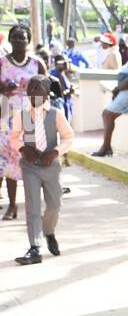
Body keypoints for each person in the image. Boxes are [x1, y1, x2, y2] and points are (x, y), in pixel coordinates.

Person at [10, 74, 73, 264]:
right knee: (33, 207)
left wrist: (55, 152)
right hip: (30, 166)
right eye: (30, 88)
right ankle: (35, 247)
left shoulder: (55, 114)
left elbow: (68, 137)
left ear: (47, 92)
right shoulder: (23, 114)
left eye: (38, 88)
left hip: (51, 166)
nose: (33, 91)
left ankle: (49, 232)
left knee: (54, 204)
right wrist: (23, 148)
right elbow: (15, 137)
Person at [0, 25, 47, 221]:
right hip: (4, 114)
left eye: (23, 38)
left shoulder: (37, 63)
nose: (19, 41)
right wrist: (3, 87)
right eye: (16, 38)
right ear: (10, 40)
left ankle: (21, 206)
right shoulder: (2, 62)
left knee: (22, 160)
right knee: (4, 160)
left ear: (28, 41)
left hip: (28, 117)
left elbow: (47, 88)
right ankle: (8, 204)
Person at [91, 40, 128, 157]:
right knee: (108, 115)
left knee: (108, 114)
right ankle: (107, 146)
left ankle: (106, 147)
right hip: (125, 91)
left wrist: (117, 89)